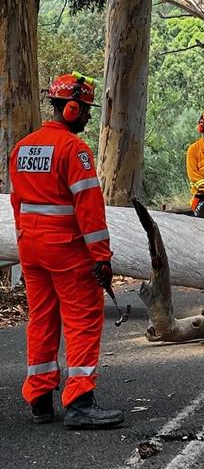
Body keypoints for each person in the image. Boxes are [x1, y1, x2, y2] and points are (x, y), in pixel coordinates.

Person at [9, 72, 124, 429]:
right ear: (71, 108)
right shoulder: (75, 151)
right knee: (83, 320)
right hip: (67, 250)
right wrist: (102, 257)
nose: (88, 116)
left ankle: (40, 398)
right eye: (86, 110)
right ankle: (79, 401)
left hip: (31, 247)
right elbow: (89, 211)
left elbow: (17, 202)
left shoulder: (23, 147)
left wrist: (26, 238)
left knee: (41, 319)